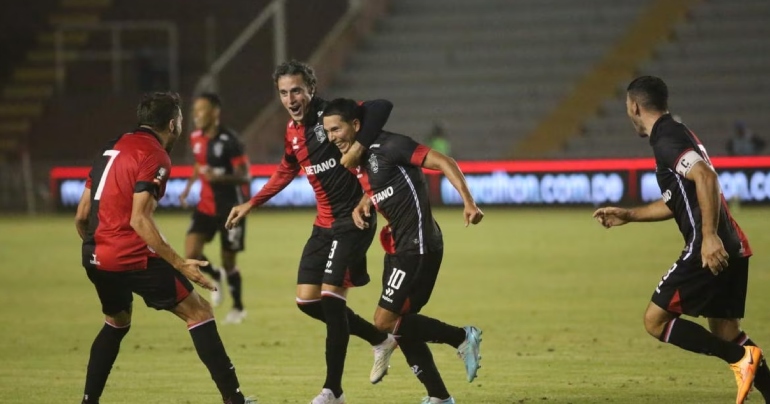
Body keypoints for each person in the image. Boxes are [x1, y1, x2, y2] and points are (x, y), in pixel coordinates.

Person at [226, 60, 396, 404]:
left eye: (297, 90)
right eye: (284, 92)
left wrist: (360, 152)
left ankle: (333, 390)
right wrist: (250, 204)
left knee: (332, 301)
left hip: (353, 222)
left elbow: (381, 108)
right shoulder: (291, 132)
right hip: (323, 225)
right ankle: (380, 339)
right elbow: (285, 170)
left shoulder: (332, 118)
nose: (291, 98)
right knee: (307, 300)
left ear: (311, 89)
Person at [592, 76, 767, 404]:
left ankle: (740, 358)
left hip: (709, 244)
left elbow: (706, 176)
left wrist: (709, 236)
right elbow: (677, 201)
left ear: (635, 106)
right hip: (731, 241)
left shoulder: (666, 138)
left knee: (655, 320)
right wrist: (629, 215)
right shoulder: (676, 132)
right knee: (726, 330)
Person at [74, 92, 254, 404]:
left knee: (116, 323)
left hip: (94, 255)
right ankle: (234, 400)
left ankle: (88, 401)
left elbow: (82, 215)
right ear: (172, 123)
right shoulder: (155, 155)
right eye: (181, 120)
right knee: (199, 311)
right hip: (130, 254)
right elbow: (140, 219)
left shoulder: (111, 147)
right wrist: (180, 263)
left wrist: (98, 248)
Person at [322, 98, 484, 404]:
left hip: (417, 246)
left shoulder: (393, 146)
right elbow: (387, 186)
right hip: (398, 246)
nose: (332, 137)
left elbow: (444, 161)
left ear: (356, 126)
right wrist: (364, 202)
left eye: (336, 129)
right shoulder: (359, 157)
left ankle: (462, 337)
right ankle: (439, 397)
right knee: (401, 320)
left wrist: (469, 202)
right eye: (327, 132)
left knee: (383, 323)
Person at [179, 93, 251, 324]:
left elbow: (245, 176)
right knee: (190, 254)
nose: (196, 115)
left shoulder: (231, 140)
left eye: (201, 110)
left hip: (231, 209)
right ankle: (214, 274)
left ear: (215, 113)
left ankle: (238, 308)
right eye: (195, 110)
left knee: (229, 260)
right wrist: (188, 189)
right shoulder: (195, 137)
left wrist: (218, 178)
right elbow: (199, 164)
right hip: (205, 206)